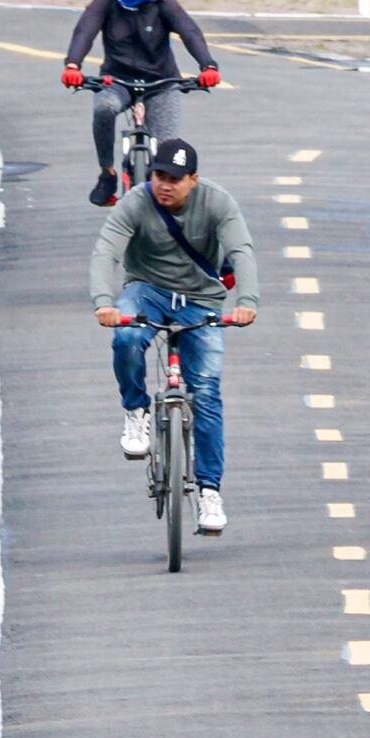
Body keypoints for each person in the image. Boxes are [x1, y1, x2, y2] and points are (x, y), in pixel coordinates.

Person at [89, 140, 254, 536]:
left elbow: (241, 251)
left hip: (201, 299)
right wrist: (103, 302)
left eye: (175, 179)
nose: (165, 185)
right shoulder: (135, 202)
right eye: (159, 176)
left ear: (193, 179)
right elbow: (106, 251)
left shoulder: (218, 202)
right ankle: (136, 412)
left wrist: (247, 302)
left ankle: (210, 491)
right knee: (127, 337)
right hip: (147, 290)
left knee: (206, 392)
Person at [63, 0, 221, 208]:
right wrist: (72, 64)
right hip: (116, 81)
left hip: (161, 83)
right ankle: (107, 174)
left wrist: (208, 66)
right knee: (103, 109)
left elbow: (190, 32)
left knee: (167, 151)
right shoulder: (106, 1)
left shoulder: (164, 4)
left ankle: (166, 210)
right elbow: (84, 32)